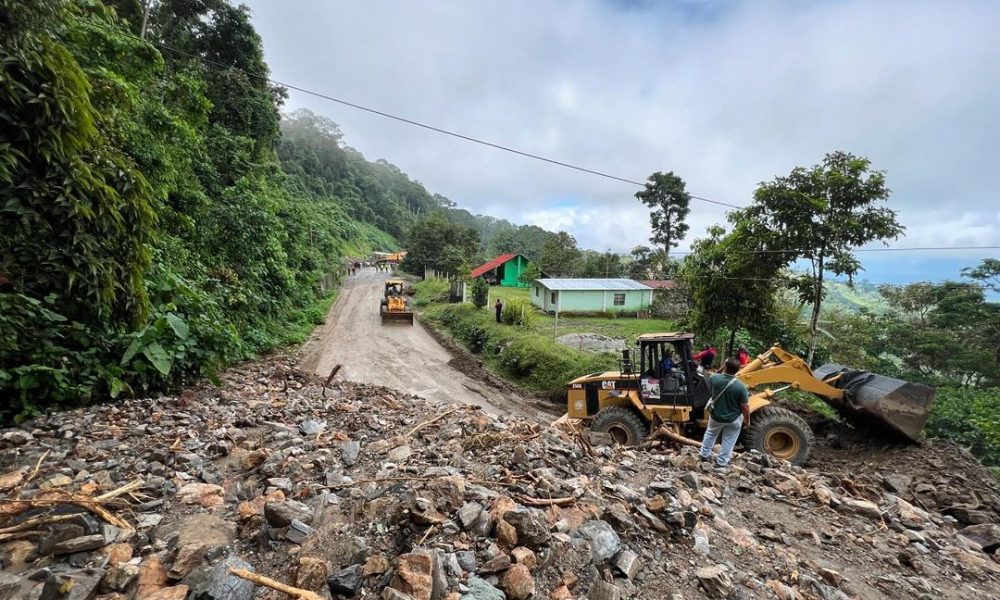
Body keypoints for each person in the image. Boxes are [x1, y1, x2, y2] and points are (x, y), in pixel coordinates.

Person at [699, 357, 750, 469]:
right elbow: (745, 407)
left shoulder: (715, 378)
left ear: (725, 367)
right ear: (738, 370)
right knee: (729, 440)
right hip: (734, 419)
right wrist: (747, 420)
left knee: (711, 433)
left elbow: (714, 375)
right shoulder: (741, 387)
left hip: (716, 416)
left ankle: (704, 455)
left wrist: (722, 367)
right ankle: (721, 462)